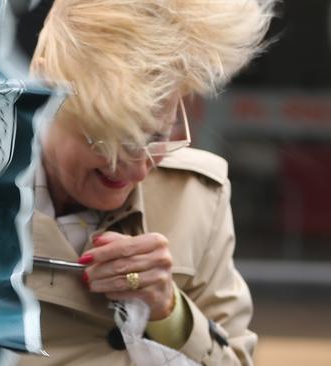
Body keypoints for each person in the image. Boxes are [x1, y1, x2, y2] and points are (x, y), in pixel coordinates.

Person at [18, 0, 275, 365]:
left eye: (157, 135)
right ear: (43, 92)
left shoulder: (196, 195)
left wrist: (168, 311)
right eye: (110, 139)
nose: (139, 169)